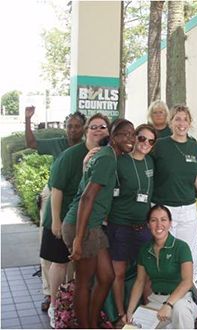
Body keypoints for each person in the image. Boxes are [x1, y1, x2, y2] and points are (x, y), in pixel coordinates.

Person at [62, 119, 135, 328]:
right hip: (82, 226)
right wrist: (78, 238)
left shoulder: (108, 156)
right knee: (84, 283)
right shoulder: (107, 159)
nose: (131, 139)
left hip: (92, 227)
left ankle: (92, 323)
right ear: (113, 138)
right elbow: (87, 197)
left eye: (133, 134)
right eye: (125, 134)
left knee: (107, 276)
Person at [39, 113, 110, 327]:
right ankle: (54, 306)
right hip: (64, 217)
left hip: (88, 222)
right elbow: (57, 189)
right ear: (86, 131)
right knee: (59, 263)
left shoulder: (108, 155)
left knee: (79, 271)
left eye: (103, 126)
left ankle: (73, 307)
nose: (98, 130)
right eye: (93, 126)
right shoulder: (71, 155)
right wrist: (56, 222)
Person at [25, 105, 86, 312]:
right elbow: (31, 143)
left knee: (71, 251)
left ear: (84, 128)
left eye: (77, 126)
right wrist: (27, 120)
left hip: (77, 201)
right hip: (53, 195)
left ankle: (67, 291)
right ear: (65, 127)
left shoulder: (89, 148)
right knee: (50, 245)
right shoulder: (58, 144)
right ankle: (49, 293)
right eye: (69, 126)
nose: (73, 130)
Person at [151, 105, 197, 268]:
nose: (181, 123)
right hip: (163, 209)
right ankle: (163, 291)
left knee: (187, 254)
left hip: (188, 210)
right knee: (163, 253)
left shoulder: (194, 146)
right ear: (170, 123)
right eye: (177, 119)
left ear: (190, 123)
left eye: (185, 119)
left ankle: (185, 292)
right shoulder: (160, 145)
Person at [106, 124, 157, 322]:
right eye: (142, 138)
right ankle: (120, 315)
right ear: (135, 138)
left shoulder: (151, 163)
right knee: (118, 273)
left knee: (146, 273)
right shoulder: (119, 161)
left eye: (150, 141)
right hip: (120, 227)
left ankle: (150, 313)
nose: (145, 143)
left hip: (142, 228)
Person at [123, 205, 197, 329]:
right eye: (154, 220)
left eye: (163, 220)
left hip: (182, 299)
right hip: (157, 300)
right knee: (134, 325)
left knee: (179, 309)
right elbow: (140, 281)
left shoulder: (181, 247)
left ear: (170, 223)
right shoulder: (144, 250)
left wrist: (168, 304)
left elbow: (187, 282)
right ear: (148, 224)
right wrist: (130, 312)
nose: (159, 225)